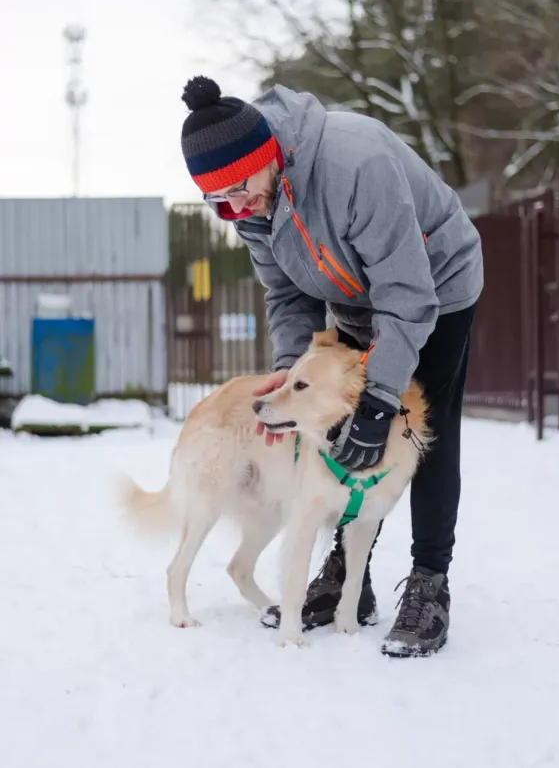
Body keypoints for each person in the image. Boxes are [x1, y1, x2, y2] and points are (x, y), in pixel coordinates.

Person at [179, 75, 483, 657]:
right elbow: (287, 294)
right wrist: (292, 376)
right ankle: (350, 571)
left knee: (418, 427)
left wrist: (381, 398)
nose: (236, 207)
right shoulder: (250, 204)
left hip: (436, 288)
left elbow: (408, 297)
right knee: (339, 430)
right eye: (220, 202)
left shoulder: (353, 163)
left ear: (266, 155)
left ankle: (429, 583)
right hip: (353, 296)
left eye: (239, 189)